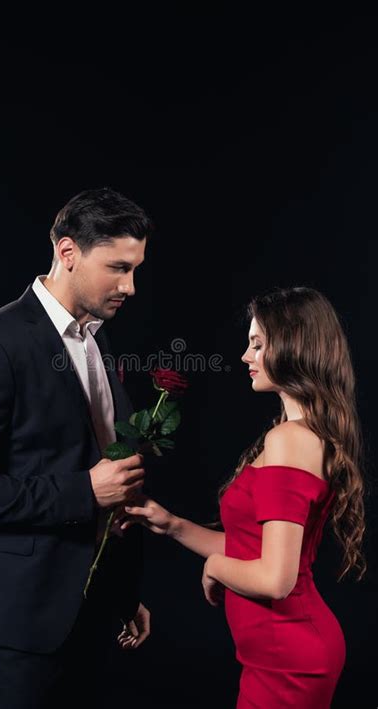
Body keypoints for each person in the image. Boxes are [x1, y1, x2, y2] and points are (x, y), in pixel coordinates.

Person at [0, 187, 153, 708]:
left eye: (137, 268)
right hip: (21, 613)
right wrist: (86, 492)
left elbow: (86, 458)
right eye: (118, 267)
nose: (131, 286)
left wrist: (122, 593)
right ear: (67, 252)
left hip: (92, 606)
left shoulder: (95, 338)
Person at [120, 287, 367, 708]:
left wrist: (215, 567)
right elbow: (253, 551)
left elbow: (274, 578)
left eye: (257, 344)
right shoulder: (294, 436)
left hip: (289, 656)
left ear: (293, 345)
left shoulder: (290, 439)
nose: (245, 357)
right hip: (274, 654)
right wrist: (173, 525)